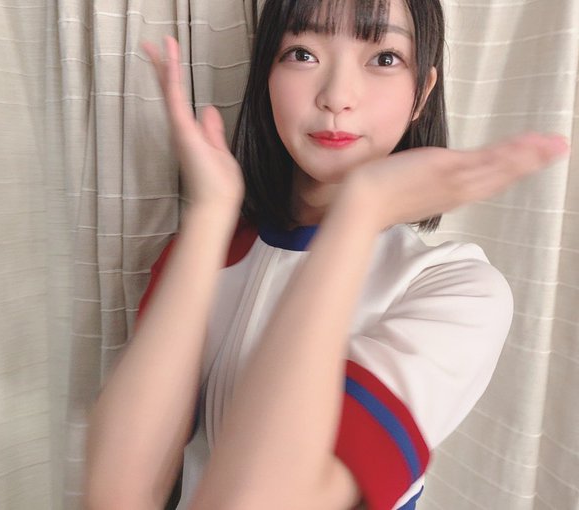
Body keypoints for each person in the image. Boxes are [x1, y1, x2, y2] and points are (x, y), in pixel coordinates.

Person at [85, 1, 570, 509]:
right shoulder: (206, 255)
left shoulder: (457, 291)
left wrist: (360, 211)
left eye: (384, 58)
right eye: (302, 53)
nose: (337, 96)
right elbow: (115, 497)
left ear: (422, 94)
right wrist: (210, 212)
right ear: (266, 76)